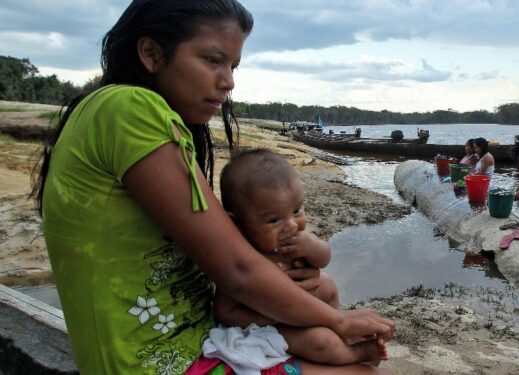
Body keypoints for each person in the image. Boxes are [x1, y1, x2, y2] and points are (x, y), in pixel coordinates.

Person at [34, 1, 394, 374]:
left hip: (201, 337)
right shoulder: (129, 109)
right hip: (153, 362)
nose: (228, 81)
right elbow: (235, 268)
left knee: (326, 300)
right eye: (212, 60)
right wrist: (339, 321)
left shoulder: (124, 111)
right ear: (152, 54)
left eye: (233, 66)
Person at [215, 148, 387, 366]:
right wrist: (274, 314)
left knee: (327, 285)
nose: (292, 225)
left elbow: (323, 259)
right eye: (273, 220)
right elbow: (224, 312)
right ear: (238, 223)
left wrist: (312, 246)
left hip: (314, 313)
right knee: (322, 341)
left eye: (297, 210)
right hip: (273, 325)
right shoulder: (243, 258)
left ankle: (343, 332)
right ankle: (357, 355)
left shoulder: (297, 240)